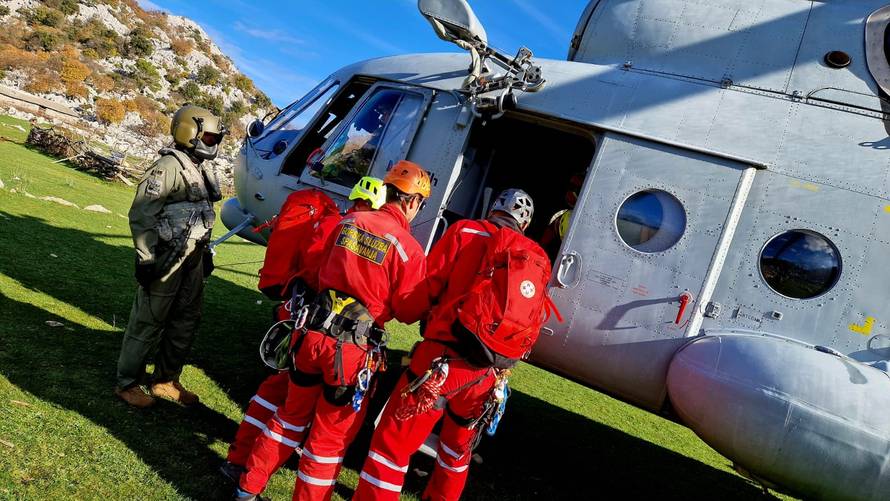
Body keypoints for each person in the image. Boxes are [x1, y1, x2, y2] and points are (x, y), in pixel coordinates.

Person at [236, 161, 432, 501]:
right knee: (328, 441)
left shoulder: (348, 223)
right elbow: (409, 311)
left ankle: (246, 488)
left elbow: (316, 271)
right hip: (351, 354)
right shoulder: (407, 248)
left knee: (289, 417)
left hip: (311, 336)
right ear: (413, 201)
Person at [353, 188, 554, 501]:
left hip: (441, 361)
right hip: (489, 374)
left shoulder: (464, 232)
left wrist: (406, 312)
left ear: (493, 209)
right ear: (524, 224)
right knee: (455, 455)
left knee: (391, 446)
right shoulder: (535, 256)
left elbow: (428, 286)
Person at [221, 176, 387, 482]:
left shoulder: (334, 223)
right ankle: (248, 464)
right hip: (321, 327)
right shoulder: (353, 232)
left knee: (275, 393)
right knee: (289, 403)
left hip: (301, 317)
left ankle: (240, 457)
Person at [114, 105, 226, 408]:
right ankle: (127, 383)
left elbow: (199, 215)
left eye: (216, 138)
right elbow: (142, 214)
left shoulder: (200, 168)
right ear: (191, 133)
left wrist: (204, 254)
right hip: (166, 256)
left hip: (192, 258)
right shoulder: (168, 167)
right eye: (210, 137)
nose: (214, 143)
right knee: (149, 319)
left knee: (186, 319)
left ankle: (165, 380)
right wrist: (145, 257)